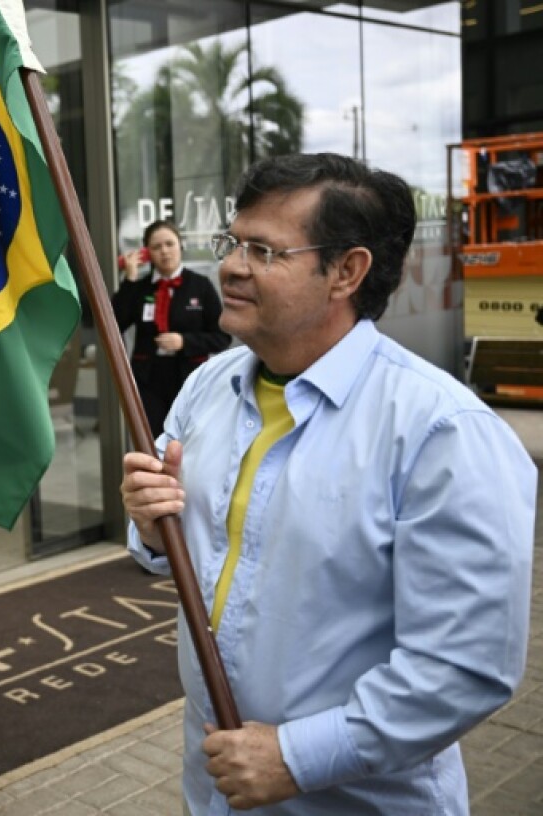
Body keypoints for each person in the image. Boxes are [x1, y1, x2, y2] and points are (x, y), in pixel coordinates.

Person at [122, 153, 535, 814]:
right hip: (214, 789)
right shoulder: (206, 390)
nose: (231, 265)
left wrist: (295, 756)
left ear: (347, 271)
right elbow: (167, 545)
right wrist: (148, 528)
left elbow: (464, 666)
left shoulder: (441, 433)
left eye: (264, 250)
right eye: (233, 241)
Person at [112, 220, 229, 437]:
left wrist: (185, 341)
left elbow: (222, 337)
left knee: (189, 441)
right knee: (152, 442)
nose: (164, 251)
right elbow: (115, 323)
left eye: (170, 244)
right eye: (156, 247)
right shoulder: (140, 288)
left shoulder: (200, 285)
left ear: (180, 245)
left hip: (190, 378)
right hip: (149, 380)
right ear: (147, 252)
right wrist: (130, 279)